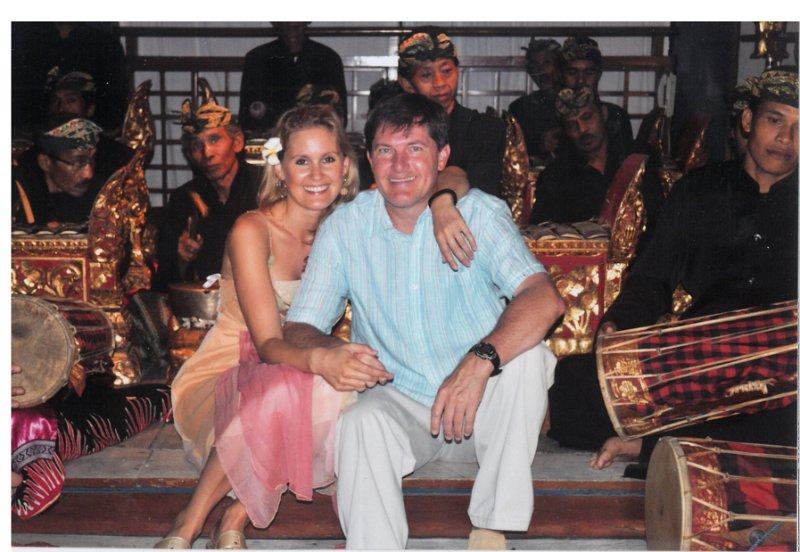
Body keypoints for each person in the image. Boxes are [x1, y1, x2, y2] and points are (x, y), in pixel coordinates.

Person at [159, 104, 473, 549]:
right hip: (232, 366)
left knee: (337, 394)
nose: (316, 174)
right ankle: (187, 524)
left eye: (327, 159)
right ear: (280, 169)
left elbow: (454, 172)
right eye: (301, 161)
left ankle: (235, 513)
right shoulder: (253, 229)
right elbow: (268, 345)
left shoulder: (351, 223)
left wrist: (442, 205)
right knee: (295, 384)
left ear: (346, 166)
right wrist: (323, 359)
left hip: (304, 365)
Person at [283, 93, 565, 550]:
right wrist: (331, 351)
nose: (399, 166)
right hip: (404, 404)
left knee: (528, 358)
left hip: (483, 407)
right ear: (369, 159)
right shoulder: (346, 228)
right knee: (360, 422)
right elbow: (299, 327)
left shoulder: (478, 214)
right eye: (385, 150)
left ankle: (491, 527)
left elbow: (544, 298)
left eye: (415, 148)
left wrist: (479, 361)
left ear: (442, 156)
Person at [547, 69, 798, 472]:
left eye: (799, 129)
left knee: (784, 413)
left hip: (784, 363)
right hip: (703, 352)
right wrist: (619, 323)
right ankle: (687, 440)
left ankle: (651, 445)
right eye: (775, 120)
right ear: (749, 121)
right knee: (575, 384)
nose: (787, 139)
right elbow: (653, 277)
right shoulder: (698, 191)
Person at [11, 363, 171, 520]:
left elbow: (39, 494)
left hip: (73, 415)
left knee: (155, 400)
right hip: (57, 405)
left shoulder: (24, 425)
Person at [153, 93, 260, 291]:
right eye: (197, 145)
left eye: (214, 139)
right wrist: (181, 258)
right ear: (190, 154)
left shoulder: (263, 187)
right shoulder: (183, 198)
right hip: (204, 303)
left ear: (237, 142)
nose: (207, 153)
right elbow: (163, 281)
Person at [529, 86, 663, 228]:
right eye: (571, 125)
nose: (582, 129)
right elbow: (544, 232)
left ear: (603, 114)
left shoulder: (637, 159)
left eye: (587, 117)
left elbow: (658, 221)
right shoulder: (556, 176)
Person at [396, 26, 506, 198]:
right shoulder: (395, 133)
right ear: (407, 84)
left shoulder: (485, 129)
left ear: (457, 71)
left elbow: (483, 200)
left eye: (447, 71)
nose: (440, 83)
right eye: (426, 75)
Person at [15, 69, 135, 221]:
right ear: (45, 162)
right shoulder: (29, 161)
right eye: (55, 100)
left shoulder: (118, 158)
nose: (61, 108)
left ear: (90, 109)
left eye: (70, 100)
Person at [12, 22, 129, 135]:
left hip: (92, 134)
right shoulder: (27, 41)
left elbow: (114, 109)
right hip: (38, 134)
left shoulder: (105, 44)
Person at [238, 22, 348, 137]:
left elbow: (338, 118)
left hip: (314, 139)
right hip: (270, 140)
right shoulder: (257, 58)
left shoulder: (328, 58)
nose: (292, 25)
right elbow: (247, 118)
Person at [12, 115, 103, 225]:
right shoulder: (14, 196)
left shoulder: (99, 195)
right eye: (79, 163)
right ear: (45, 163)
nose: (88, 174)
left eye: (92, 161)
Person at [559, 36, 633, 158]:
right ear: (562, 75)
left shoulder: (616, 116)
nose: (581, 80)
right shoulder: (551, 115)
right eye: (572, 73)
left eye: (588, 73)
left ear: (598, 75)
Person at [508, 38, 563, 161]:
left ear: (560, 66)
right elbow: (512, 149)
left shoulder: (577, 103)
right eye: (535, 66)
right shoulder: (519, 108)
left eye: (547, 63)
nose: (541, 70)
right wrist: (539, 145)